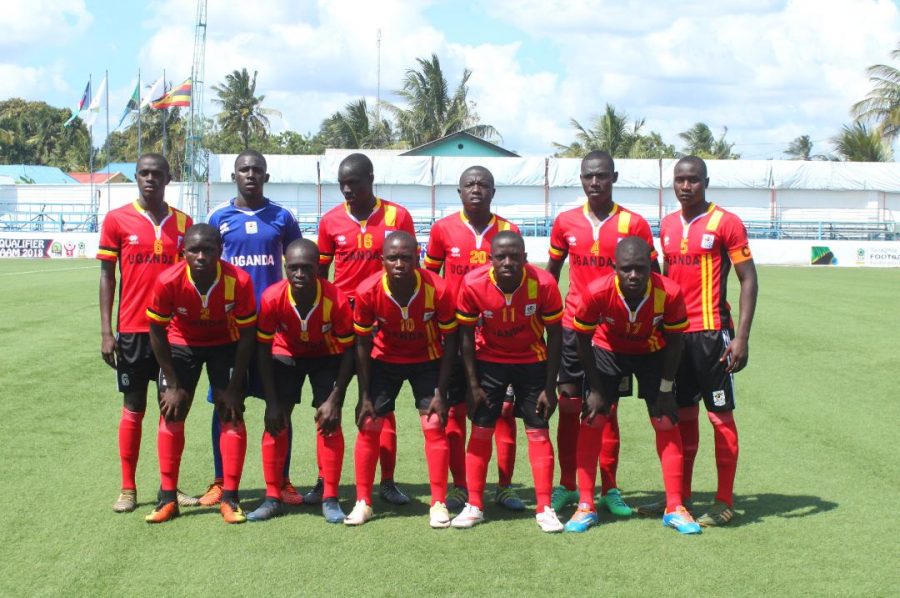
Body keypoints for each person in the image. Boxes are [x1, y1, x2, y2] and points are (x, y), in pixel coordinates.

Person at [643, 156, 758, 526]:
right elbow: (663, 280)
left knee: (719, 416)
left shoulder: (726, 222)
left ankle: (724, 501)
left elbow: (748, 278)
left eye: (692, 179)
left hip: (712, 335)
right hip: (676, 336)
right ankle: (681, 497)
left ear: (705, 182)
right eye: (679, 179)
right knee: (682, 415)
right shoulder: (667, 225)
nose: (685, 186)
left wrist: (741, 337)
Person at [545, 150, 657, 516]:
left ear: (614, 177)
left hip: (613, 333)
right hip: (572, 328)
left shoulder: (634, 223)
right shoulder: (565, 222)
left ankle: (609, 488)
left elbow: (654, 277)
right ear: (581, 179)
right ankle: (567, 485)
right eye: (589, 176)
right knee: (568, 406)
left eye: (602, 176)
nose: (595, 182)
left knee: (607, 409)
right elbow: (551, 274)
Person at [565, 237, 700, 534]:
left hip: (652, 352)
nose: (634, 275)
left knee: (665, 420)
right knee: (593, 418)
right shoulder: (596, 291)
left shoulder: (669, 292)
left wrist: (666, 389)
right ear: (615, 267)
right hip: (607, 350)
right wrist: (596, 389)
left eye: (641, 268)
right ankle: (585, 504)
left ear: (650, 267)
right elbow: (581, 340)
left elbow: (676, 342)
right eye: (626, 269)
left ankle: (674, 506)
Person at [203, 150, 303, 507]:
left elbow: (300, 263)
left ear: (266, 176)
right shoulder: (218, 216)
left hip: (274, 329)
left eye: (256, 170)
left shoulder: (282, 217)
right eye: (244, 170)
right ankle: (221, 482)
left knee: (280, 407)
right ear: (234, 176)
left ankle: (282, 481)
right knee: (226, 405)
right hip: (230, 331)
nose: (250, 175)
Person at [316, 152, 416, 506]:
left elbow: (411, 268)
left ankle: (387, 481)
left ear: (370, 179)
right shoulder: (330, 221)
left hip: (382, 324)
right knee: (330, 399)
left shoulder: (397, 216)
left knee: (380, 404)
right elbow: (320, 277)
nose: (347, 190)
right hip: (342, 323)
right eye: (342, 184)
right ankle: (324, 480)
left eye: (354, 183)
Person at [98, 153, 196, 513]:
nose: (150, 179)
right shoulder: (116, 219)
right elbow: (107, 276)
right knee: (133, 407)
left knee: (173, 409)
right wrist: (107, 331)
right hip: (133, 331)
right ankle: (128, 488)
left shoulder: (184, 223)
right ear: (136, 178)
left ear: (168, 178)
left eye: (157, 173)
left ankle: (169, 488)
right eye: (143, 173)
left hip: (173, 333)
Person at [424, 165, 524, 513]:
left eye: (483, 184)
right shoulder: (442, 229)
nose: (476, 189)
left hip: (498, 337)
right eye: (469, 184)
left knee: (504, 411)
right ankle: (460, 485)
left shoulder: (509, 231)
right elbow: (429, 279)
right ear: (460, 191)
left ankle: (504, 487)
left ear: (493, 192)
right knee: (455, 409)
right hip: (455, 336)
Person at [451, 231, 565, 533]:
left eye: (515, 256)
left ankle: (544, 508)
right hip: (489, 361)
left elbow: (555, 336)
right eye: (501, 256)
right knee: (481, 429)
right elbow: (465, 336)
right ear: (491, 259)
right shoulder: (473, 283)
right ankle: (474, 504)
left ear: (525, 258)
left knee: (538, 430)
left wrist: (550, 387)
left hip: (532, 361)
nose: (508, 262)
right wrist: (472, 385)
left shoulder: (544, 283)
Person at [144, 224, 257, 523]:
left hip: (226, 345)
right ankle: (168, 498)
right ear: (183, 252)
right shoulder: (168, 281)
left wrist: (233, 387)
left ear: (220, 250)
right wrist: (172, 383)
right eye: (194, 250)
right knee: (171, 411)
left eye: (208, 249)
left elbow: (248, 335)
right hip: (182, 344)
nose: (201, 256)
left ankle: (230, 498)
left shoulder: (239, 281)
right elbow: (156, 331)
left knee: (231, 413)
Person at [346, 232, 457, 527]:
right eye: (392, 258)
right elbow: (361, 345)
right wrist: (364, 396)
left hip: (428, 360)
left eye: (406, 257)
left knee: (434, 423)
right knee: (369, 423)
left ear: (417, 257)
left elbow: (451, 342)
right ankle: (363, 502)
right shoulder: (368, 290)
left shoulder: (439, 288)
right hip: (385, 360)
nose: (399, 264)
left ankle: (438, 503)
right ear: (382, 260)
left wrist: (441, 392)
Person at [249, 239, 354, 523]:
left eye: (306, 268)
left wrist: (336, 398)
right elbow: (262, 349)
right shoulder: (272, 297)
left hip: (327, 355)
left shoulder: (336, 299)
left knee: (329, 421)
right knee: (276, 421)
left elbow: (350, 351)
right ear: (285, 267)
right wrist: (272, 402)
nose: (299, 274)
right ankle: (273, 497)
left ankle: (330, 497)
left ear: (318, 268)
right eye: (293, 267)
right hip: (287, 354)